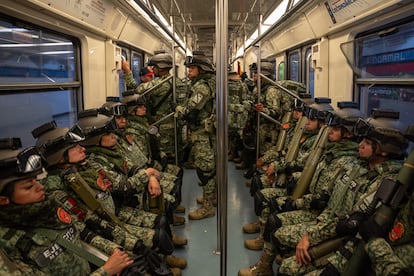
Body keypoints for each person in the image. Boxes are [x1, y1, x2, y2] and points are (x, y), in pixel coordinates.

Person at [274, 110, 409, 276]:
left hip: (350, 246)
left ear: (384, 150)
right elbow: (333, 204)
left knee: (289, 268)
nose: (360, 145)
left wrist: (310, 236)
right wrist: (313, 231)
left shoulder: (388, 183)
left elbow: (350, 222)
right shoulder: (357, 167)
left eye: (367, 142)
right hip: (332, 231)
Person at [0, 137, 134, 275]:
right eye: (28, 187)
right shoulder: (7, 245)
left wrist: (115, 251)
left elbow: (82, 233)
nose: (40, 187)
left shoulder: (48, 206)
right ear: (3, 200)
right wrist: (106, 271)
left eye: (36, 180)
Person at [174, 51, 216, 220]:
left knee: (204, 170)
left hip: (203, 134)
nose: (189, 71)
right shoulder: (199, 85)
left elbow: (190, 110)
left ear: (202, 69)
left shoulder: (202, 87)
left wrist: (177, 108)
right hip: (201, 132)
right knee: (207, 168)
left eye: (192, 68)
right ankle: (210, 196)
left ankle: (208, 207)